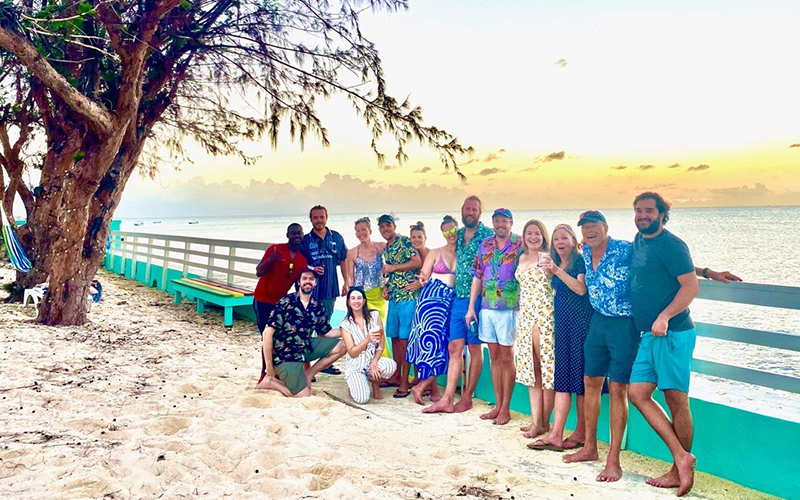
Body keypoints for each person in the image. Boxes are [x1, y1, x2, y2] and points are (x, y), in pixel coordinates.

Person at [627, 192, 699, 497]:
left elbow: (690, 285)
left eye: (648, 211)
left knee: (676, 401)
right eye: (638, 211)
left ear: (661, 214)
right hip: (649, 334)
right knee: (637, 393)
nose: (642, 215)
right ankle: (682, 457)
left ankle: (676, 468)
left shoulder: (672, 243)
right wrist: (708, 270)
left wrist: (666, 316)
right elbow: (668, 272)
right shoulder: (640, 240)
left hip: (673, 333)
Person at [563, 210, 639, 483]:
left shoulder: (626, 249)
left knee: (619, 389)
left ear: (605, 227)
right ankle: (590, 447)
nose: (589, 231)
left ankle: (614, 459)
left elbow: (659, 263)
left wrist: (704, 272)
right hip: (598, 323)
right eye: (584, 228)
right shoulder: (585, 253)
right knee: (590, 382)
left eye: (594, 226)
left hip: (623, 325)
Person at [534, 224, 606, 451]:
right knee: (563, 378)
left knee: (582, 381)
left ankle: (580, 432)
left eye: (564, 238)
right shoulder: (559, 263)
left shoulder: (579, 261)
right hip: (563, 326)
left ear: (574, 241)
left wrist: (555, 270)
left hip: (581, 326)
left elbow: (580, 288)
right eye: (556, 239)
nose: (559, 242)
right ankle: (556, 434)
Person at [425, 195, 494, 414]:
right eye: (467, 209)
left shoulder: (488, 235)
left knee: (474, 348)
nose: (470, 213)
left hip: (479, 301)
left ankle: (466, 397)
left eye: (474, 209)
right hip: (457, 298)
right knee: (454, 346)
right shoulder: (459, 234)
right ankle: (446, 399)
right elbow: (440, 247)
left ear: (480, 213)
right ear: (462, 211)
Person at [465, 208, 522, 425]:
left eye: (504, 221)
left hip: (509, 308)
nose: (501, 225)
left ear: (511, 223)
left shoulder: (519, 244)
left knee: (508, 358)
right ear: (493, 223)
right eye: (497, 221)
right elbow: (477, 277)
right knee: (494, 357)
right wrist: (471, 307)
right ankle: (497, 406)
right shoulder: (485, 245)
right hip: (487, 307)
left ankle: (506, 408)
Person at [256, 268, 346, 397]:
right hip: (285, 355)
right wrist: (269, 369)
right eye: (304, 279)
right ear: (298, 282)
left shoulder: (317, 306)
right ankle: (270, 381)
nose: (308, 282)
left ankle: (309, 374)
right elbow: (267, 333)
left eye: (311, 279)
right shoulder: (285, 302)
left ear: (315, 283)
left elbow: (326, 332)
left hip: (305, 348)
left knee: (342, 345)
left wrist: (348, 330)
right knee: (304, 395)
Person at [406, 215, 459, 405]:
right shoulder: (435, 252)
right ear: (442, 233)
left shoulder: (463, 253)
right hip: (431, 301)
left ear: (457, 229)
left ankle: (423, 387)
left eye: (453, 229)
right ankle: (431, 389)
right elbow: (424, 274)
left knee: (443, 346)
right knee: (431, 345)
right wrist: (421, 279)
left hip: (450, 302)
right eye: (446, 231)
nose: (450, 234)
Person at [514, 220, 556, 441]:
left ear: (543, 236)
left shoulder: (547, 258)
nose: (533, 237)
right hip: (525, 318)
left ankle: (544, 422)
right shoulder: (521, 258)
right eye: (529, 233)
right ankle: (534, 420)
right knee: (532, 371)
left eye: (537, 233)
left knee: (547, 369)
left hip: (544, 317)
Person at [253, 223, 308, 382]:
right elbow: (259, 271)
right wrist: (270, 260)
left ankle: (276, 371)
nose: (296, 236)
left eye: (299, 234)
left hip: (279, 303)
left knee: (279, 338)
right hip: (262, 299)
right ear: (287, 235)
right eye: (293, 234)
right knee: (266, 337)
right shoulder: (275, 249)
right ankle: (265, 373)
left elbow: (302, 283)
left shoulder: (301, 259)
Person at [379, 213, 422, 398]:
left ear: (394, 226)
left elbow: (417, 262)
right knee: (395, 339)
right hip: (395, 299)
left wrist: (393, 268)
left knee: (405, 341)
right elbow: (390, 272)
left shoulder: (404, 241)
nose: (385, 229)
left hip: (408, 297)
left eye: (388, 225)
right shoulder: (386, 248)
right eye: (382, 227)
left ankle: (405, 381)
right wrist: (386, 287)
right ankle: (396, 376)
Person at [339, 286, 398, 404]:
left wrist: (374, 363)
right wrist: (367, 340)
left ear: (364, 301)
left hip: (371, 360)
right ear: (349, 302)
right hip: (356, 365)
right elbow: (352, 352)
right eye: (353, 298)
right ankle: (354, 384)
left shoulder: (375, 316)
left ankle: (375, 384)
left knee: (391, 365)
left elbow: (381, 344)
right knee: (362, 399)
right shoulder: (345, 325)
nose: (356, 301)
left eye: (359, 298)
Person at [301, 205, 348, 320]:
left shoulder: (336, 237)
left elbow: (343, 259)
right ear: (311, 219)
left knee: (325, 323)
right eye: (315, 218)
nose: (319, 221)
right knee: (307, 323)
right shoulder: (305, 240)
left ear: (326, 217)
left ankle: (322, 338)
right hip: (309, 290)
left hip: (329, 288)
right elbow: (299, 264)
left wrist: (346, 282)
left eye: (322, 217)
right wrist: (312, 269)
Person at [345, 217, 388, 326]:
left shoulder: (381, 246)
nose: (361, 233)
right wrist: (352, 297)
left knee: (380, 327)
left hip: (379, 294)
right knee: (366, 327)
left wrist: (388, 285)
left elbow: (391, 266)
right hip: (362, 296)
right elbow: (350, 277)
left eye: (364, 229)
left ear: (370, 231)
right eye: (358, 231)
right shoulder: (352, 252)